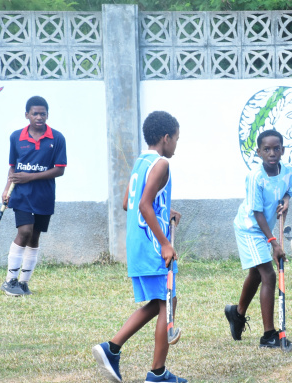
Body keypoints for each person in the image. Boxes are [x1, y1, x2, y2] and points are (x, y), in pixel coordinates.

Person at [92, 111, 186, 383]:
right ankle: (157, 373)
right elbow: (143, 204)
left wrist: (165, 210)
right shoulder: (161, 165)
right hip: (153, 246)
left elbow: (128, 203)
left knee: (160, 302)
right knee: (168, 301)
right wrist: (166, 243)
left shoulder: (140, 162)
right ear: (166, 138)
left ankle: (112, 349)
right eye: (177, 138)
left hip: (137, 244)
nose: (177, 145)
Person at [224, 130, 292, 350]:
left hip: (265, 230)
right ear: (258, 152)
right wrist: (274, 243)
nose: (272, 153)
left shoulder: (288, 172)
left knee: (256, 273)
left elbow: (288, 192)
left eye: (276, 149)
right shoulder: (255, 177)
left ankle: (236, 313)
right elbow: (256, 212)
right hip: (250, 229)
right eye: (267, 149)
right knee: (269, 274)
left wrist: (285, 201)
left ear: (283, 150)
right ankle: (268, 336)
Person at [0, 96, 66, 296]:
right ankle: (10, 280)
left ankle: (23, 283)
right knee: (25, 231)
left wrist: (31, 177)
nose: (39, 117)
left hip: (44, 196)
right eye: (35, 113)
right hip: (21, 195)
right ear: (27, 115)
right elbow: (13, 167)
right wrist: (6, 189)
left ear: (47, 115)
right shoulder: (16, 137)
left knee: (35, 235)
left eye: (43, 113)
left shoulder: (57, 138)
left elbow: (60, 170)